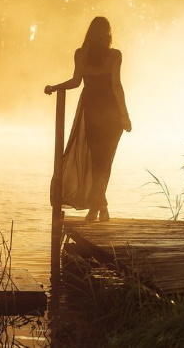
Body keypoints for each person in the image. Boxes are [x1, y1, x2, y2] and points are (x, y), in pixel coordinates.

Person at [45, 16, 131, 222]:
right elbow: (116, 86)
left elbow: (76, 82)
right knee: (104, 162)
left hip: (93, 110)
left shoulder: (81, 54)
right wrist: (124, 115)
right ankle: (100, 208)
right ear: (108, 34)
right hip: (110, 113)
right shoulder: (114, 55)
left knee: (97, 161)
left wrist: (55, 87)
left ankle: (98, 209)